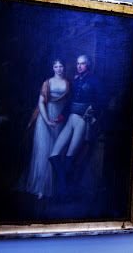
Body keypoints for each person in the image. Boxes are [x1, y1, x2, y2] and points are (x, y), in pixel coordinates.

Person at [48, 54, 102, 198]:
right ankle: (65, 188)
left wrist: (92, 110)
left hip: (82, 121)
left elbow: (102, 100)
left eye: (82, 63)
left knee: (69, 157)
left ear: (88, 65)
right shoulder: (75, 82)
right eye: (78, 63)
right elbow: (68, 104)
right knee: (53, 155)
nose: (79, 66)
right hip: (71, 118)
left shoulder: (95, 80)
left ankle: (63, 192)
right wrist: (58, 119)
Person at [20, 59, 71, 199]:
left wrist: (59, 119)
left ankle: (55, 188)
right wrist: (47, 120)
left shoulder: (68, 83)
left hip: (60, 118)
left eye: (61, 66)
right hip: (46, 117)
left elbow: (68, 103)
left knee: (58, 151)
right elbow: (41, 102)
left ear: (64, 67)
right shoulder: (47, 83)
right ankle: (41, 187)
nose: (58, 69)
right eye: (56, 66)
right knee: (43, 151)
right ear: (52, 68)